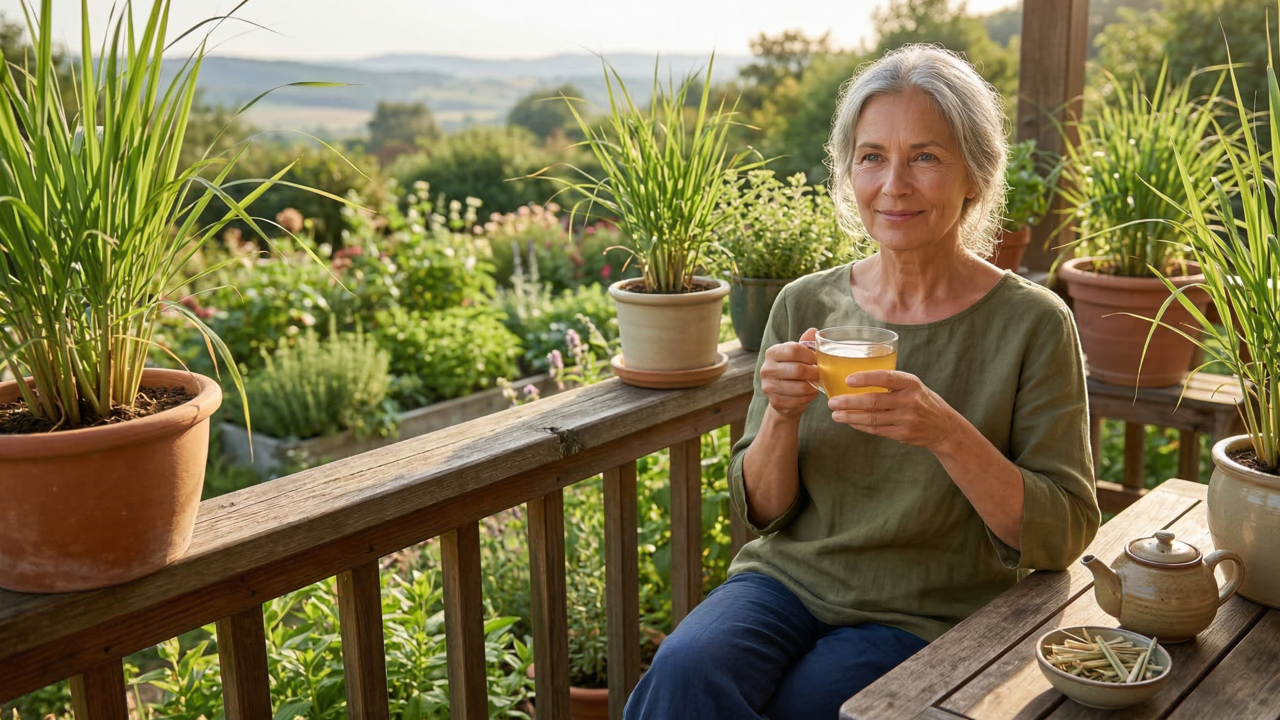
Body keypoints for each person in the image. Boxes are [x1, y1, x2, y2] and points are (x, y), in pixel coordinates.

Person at [624, 44, 1100, 720]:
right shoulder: (803, 304)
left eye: (925, 157)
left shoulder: (1034, 323)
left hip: (925, 608)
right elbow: (762, 510)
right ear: (849, 172)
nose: (893, 185)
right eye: (872, 156)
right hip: (786, 582)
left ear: (975, 173)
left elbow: (1066, 530)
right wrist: (782, 415)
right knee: (684, 672)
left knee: (808, 706)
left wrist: (946, 433)